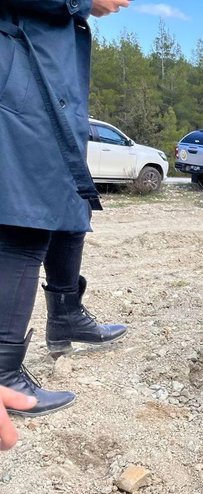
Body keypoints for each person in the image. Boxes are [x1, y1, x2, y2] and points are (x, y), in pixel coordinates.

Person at [0, 0, 130, 417]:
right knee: (27, 219)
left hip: (47, 78)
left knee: (69, 201)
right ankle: (3, 372)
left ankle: (66, 314)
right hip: (22, 71)